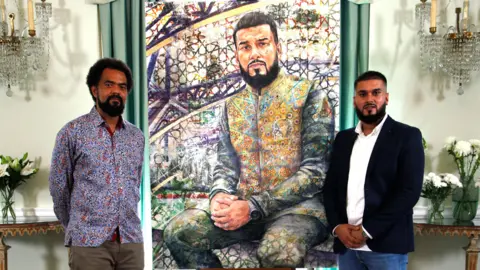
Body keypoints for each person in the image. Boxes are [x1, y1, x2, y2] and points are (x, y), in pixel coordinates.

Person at [163, 11, 333, 268]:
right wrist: (219, 194)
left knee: (277, 251)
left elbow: (315, 173)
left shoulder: (309, 93)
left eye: (262, 44)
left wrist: (254, 205)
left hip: (299, 211)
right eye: (245, 46)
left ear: (277, 47)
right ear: (237, 55)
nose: (254, 53)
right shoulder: (232, 106)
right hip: (245, 210)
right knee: (179, 230)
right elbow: (225, 166)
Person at [49, 58, 145, 270]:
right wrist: (78, 227)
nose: (116, 91)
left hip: (131, 241)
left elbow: (134, 184)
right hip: (89, 244)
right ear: (94, 90)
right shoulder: (72, 133)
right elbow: (59, 188)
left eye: (122, 87)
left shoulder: (136, 137)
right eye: (109, 84)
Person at [324, 71, 424, 269]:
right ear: (354, 101)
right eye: (363, 94)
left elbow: (409, 192)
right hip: (347, 248)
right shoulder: (343, 139)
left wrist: (367, 230)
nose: (369, 99)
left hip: (386, 248)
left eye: (376, 93)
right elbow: (330, 188)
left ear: (386, 97)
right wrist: (337, 227)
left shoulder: (407, 136)